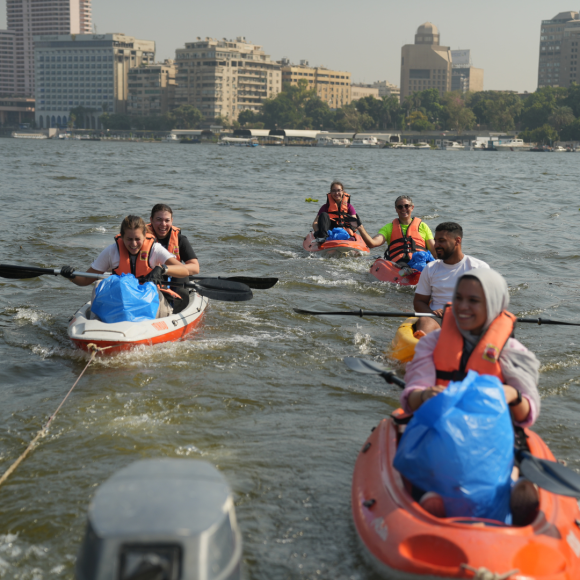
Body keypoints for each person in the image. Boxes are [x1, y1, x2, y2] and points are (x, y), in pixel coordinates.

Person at [401, 268, 541, 524]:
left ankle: (512, 488)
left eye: (474, 301)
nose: (463, 307)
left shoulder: (511, 352)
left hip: (493, 436)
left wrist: (510, 393)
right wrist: (424, 396)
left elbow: (527, 415)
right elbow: (410, 399)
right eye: (459, 298)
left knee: (508, 458)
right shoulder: (432, 343)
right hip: (440, 432)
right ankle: (436, 500)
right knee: (443, 458)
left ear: (495, 304)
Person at [61, 215, 189, 319]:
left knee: (153, 290)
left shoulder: (155, 250)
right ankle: (96, 324)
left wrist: (162, 269)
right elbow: (84, 280)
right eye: (129, 239)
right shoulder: (112, 251)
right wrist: (71, 276)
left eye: (137, 239)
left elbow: (184, 270)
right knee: (99, 284)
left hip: (148, 301)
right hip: (121, 302)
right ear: (121, 236)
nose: (133, 244)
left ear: (145, 236)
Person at [413, 222, 489, 336]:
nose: (436, 245)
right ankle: (423, 346)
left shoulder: (479, 268)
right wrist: (431, 313)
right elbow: (419, 301)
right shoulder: (430, 268)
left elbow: (488, 303)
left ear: (457, 241)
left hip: (467, 317)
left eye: (441, 241)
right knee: (425, 321)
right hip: (436, 318)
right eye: (436, 240)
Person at [148, 203, 200, 314]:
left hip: (174, 277)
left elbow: (195, 268)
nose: (163, 224)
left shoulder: (180, 240)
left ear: (172, 221)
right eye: (159, 219)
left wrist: (166, 269)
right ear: (151, 220)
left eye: (167, 220)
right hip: (149, 276)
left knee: (181, 292)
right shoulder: (140, 239)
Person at [358, 195, 435, 265]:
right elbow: (372, 243)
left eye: (406, 206)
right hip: (399, 264)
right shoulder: (388, 228)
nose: (403, 209)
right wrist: (360, 228)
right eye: (400, 207)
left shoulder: (423, 226)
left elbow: (434, 250)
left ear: (412, 207)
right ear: (396, 209)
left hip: (420, 261)